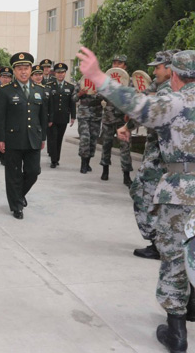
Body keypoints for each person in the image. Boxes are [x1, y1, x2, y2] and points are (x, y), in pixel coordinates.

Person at [79, 47, 195, 353]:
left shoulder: (176, 99)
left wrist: (99, 77)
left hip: (183, 191)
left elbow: (139, 105)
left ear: (176, 75)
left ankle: (177, 331)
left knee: (174, 257)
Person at [117, 50, 177, 259]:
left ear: (170, 69)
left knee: (143, 193)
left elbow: (147, 111)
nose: (155, 71)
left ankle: (157, 242)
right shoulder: (171, 88)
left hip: (159, 155)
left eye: (158, 67)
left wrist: (127, 126)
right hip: (166, 154)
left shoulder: (167, 91)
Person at [0, 52, 47, 220]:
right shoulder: (5, 91)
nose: (23, 72)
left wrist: (43, 137)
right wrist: (0, 139)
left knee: (33, 171)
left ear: (31, 70)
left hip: (33, 138)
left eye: (26, 68)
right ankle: (16, 205)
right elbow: (0, 117)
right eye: (20, 69)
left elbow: (43, 117)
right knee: (13, 174)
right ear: (14, 71)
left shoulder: (40, 90)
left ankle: (19, 194)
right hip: (13, 139)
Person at [99, 54, 133, 186]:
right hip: (108, 118)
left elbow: (135, 98)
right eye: (114, 63)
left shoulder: (130, 81)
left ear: (125, 66)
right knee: (106, 144)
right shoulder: (107, 80)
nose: (116, 66)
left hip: (123, 120)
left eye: (119, 63)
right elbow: (99, 95)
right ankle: (105, 169)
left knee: (125, 148)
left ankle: (126, 174)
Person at [47, 62, 76, 168]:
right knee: (53, 138)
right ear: (55, 73)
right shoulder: (50, 86)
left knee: (59, 139)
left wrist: (73, 116)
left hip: (63, 117)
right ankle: (53, 160)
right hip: (52, 118)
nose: (60, 74)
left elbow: (72, 103)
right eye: (58, 73)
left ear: (65, 73)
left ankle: (57, 158)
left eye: (62, 72)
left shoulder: (70, 87)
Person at [73, 75, 103, 174]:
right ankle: (83, 163)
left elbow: (106, 96)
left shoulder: (100, 82)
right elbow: (73, 98)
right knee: (85, 138)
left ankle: (88, 161)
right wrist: (80, 94)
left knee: (93, 139)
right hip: (84, 113)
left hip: (96, 113)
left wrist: (98, 95)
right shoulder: (81, 81)